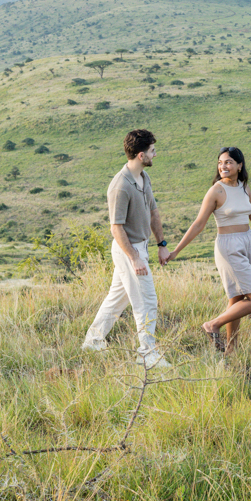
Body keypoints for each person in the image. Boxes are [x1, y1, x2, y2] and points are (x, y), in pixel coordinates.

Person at [168, 147, 251, 355]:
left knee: (237, 298)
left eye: (229, 162)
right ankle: (213, 325)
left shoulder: (244, 188)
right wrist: (176, 251)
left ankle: (231, 350)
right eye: (221, 162)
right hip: (228, 247)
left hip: (246, 242)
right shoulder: (216, 191)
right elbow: (198, 224)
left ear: (240, 166)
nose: (223, 166)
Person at [82, 129, 172, 369]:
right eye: (153, 150)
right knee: (146, 301)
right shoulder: (120, 186)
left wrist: (161, 245)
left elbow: (153, 212)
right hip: (128, 250)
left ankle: (93, 341)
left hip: (140, 247)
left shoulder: (143, 177)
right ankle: (147, 354)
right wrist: (135, 258)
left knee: (117, 299)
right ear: (141, 155)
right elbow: (116, 228)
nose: (156, 154)